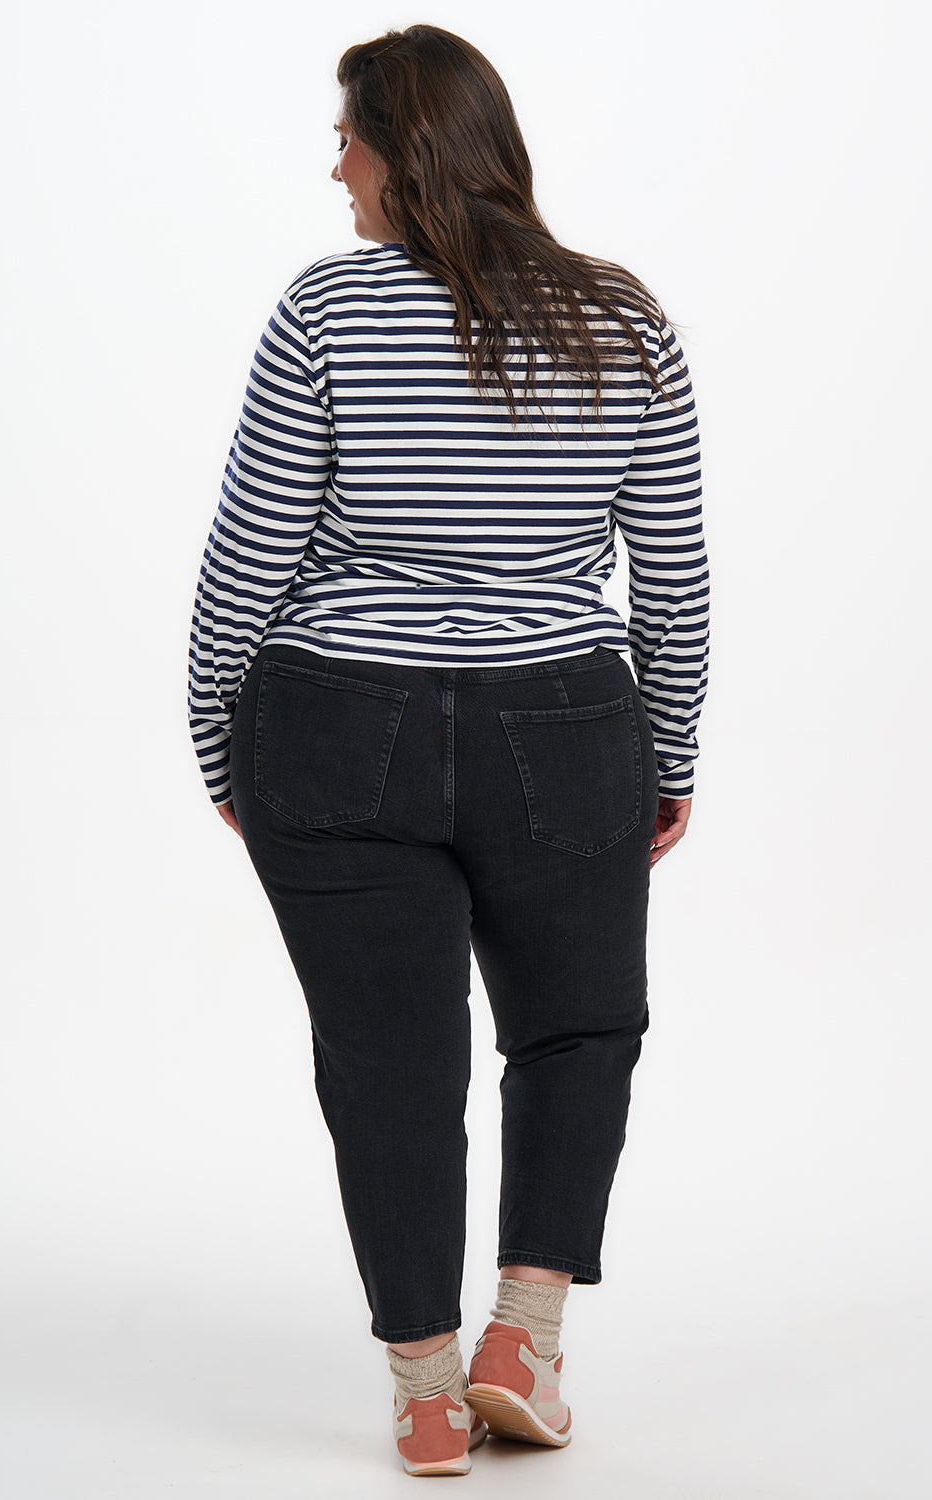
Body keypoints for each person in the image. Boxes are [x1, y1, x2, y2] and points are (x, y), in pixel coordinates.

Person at [187, 23, 709, 1479]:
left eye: (345, 133)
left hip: (338, 725)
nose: (332, 163)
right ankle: (520, 1342)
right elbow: (668, 568)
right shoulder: (622, 317)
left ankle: (424, 1391)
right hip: (566, 727)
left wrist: (215, 733)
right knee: (578, 1028)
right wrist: (671, 748)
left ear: (404, 151)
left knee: (387, 1062)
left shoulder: (328, 310)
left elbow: (252, 550)